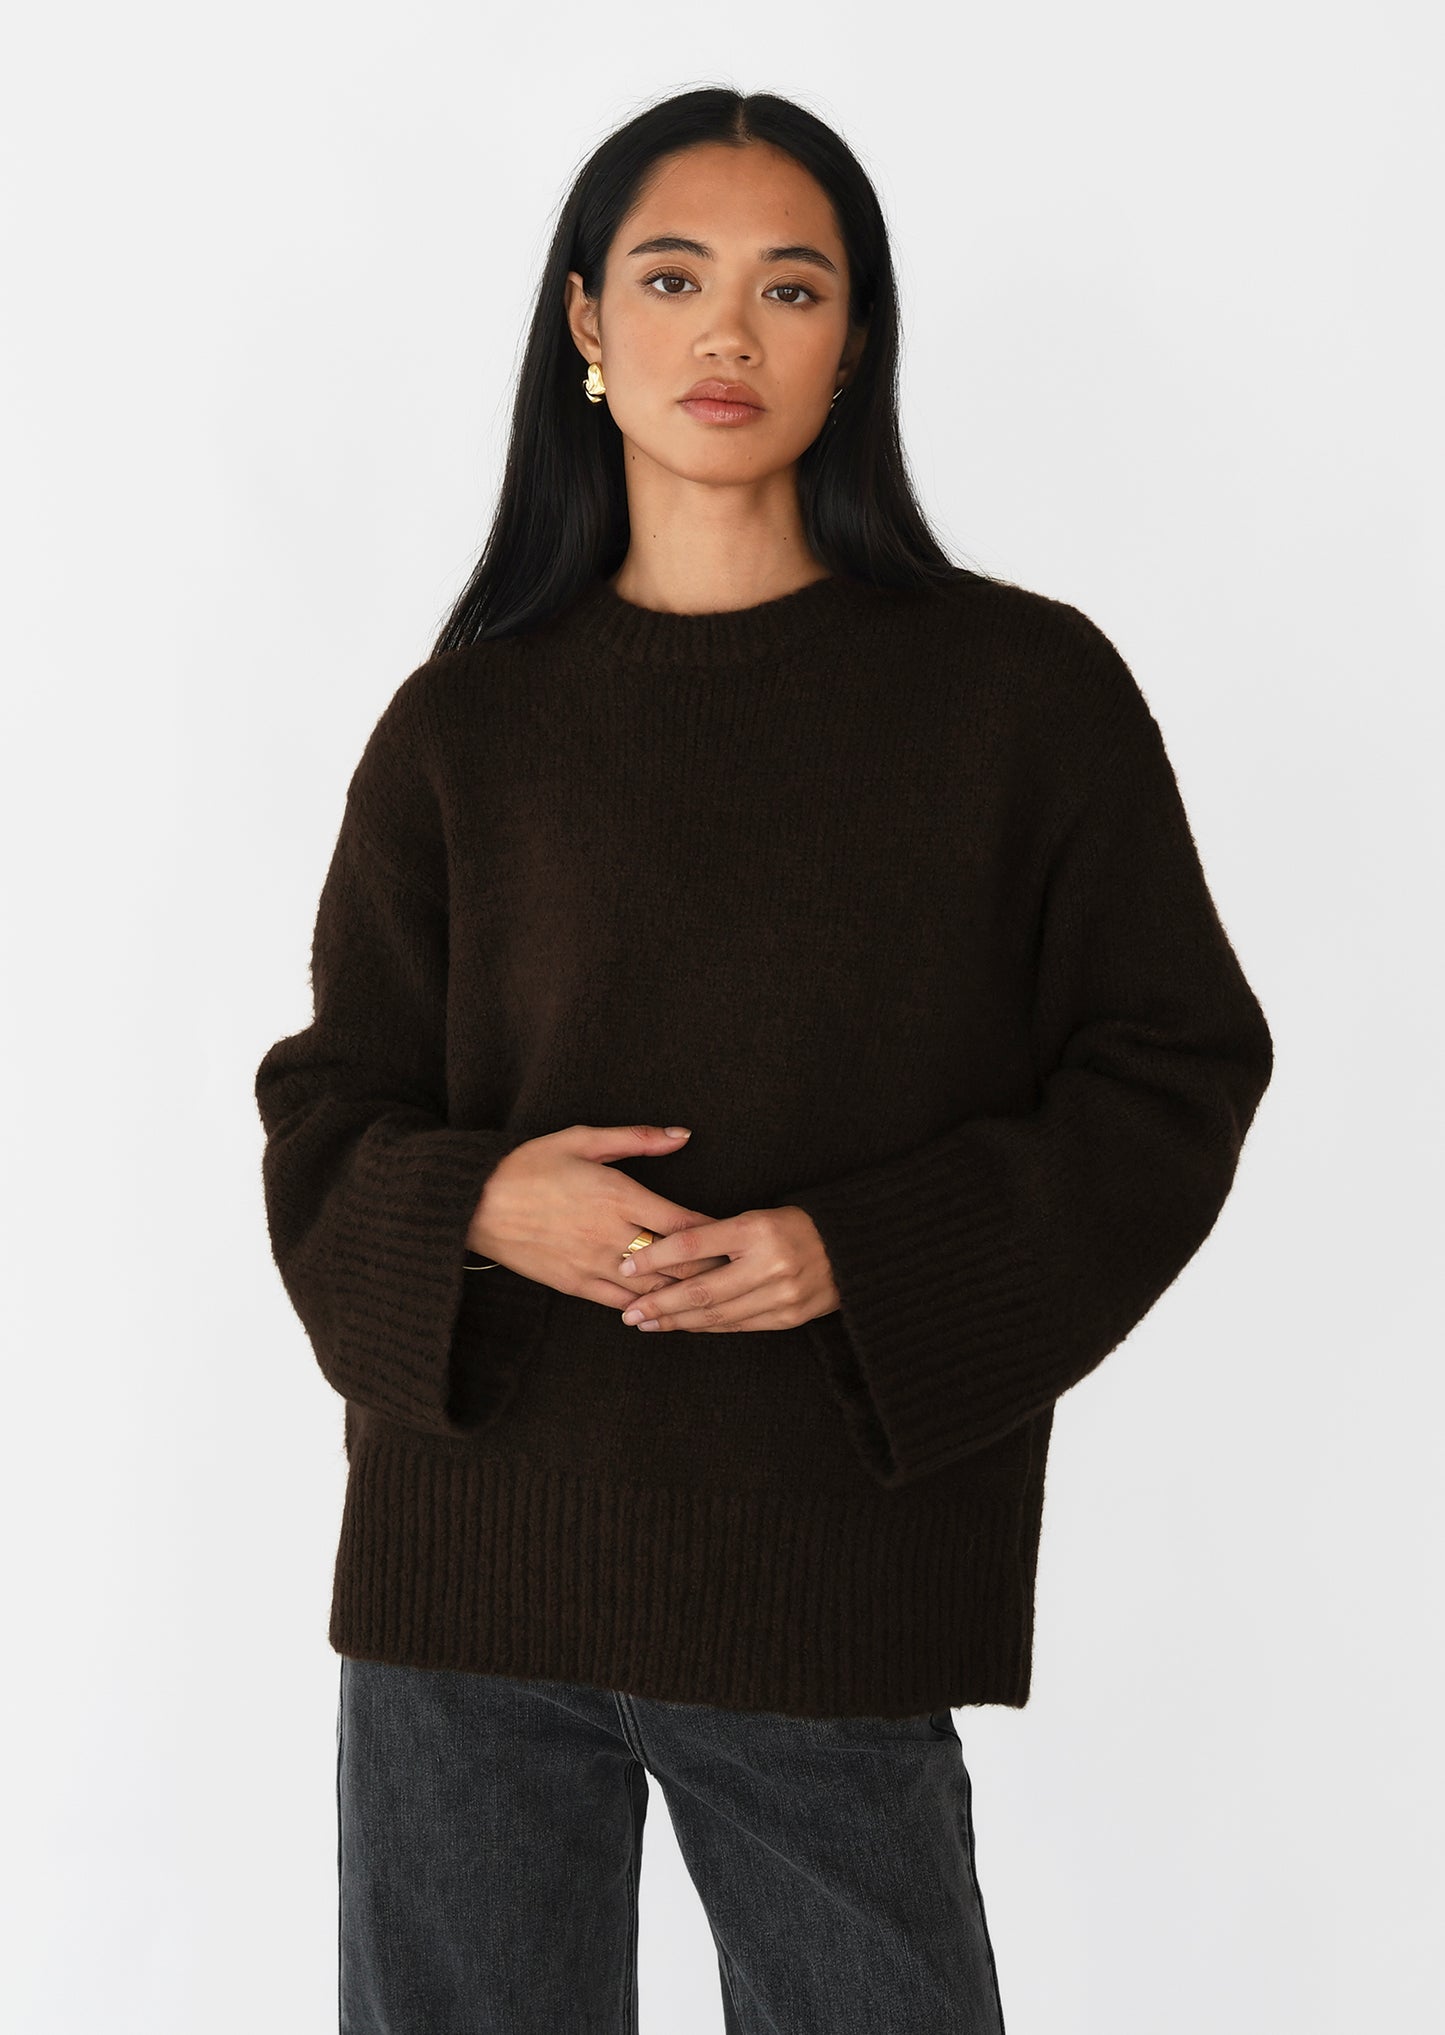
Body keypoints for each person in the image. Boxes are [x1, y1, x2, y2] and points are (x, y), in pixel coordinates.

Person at [254, 86, 1274, 2035]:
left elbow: (1172, 1069)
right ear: (585, 322)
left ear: (856, 337)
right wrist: (481, 1201)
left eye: (790, 287)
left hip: (824, 1571)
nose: (726, 332)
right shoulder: (466, 724)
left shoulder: (1019, 695)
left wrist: (862, 1257)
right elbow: (327, 1106)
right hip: (469, 1570)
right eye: (671, 278)